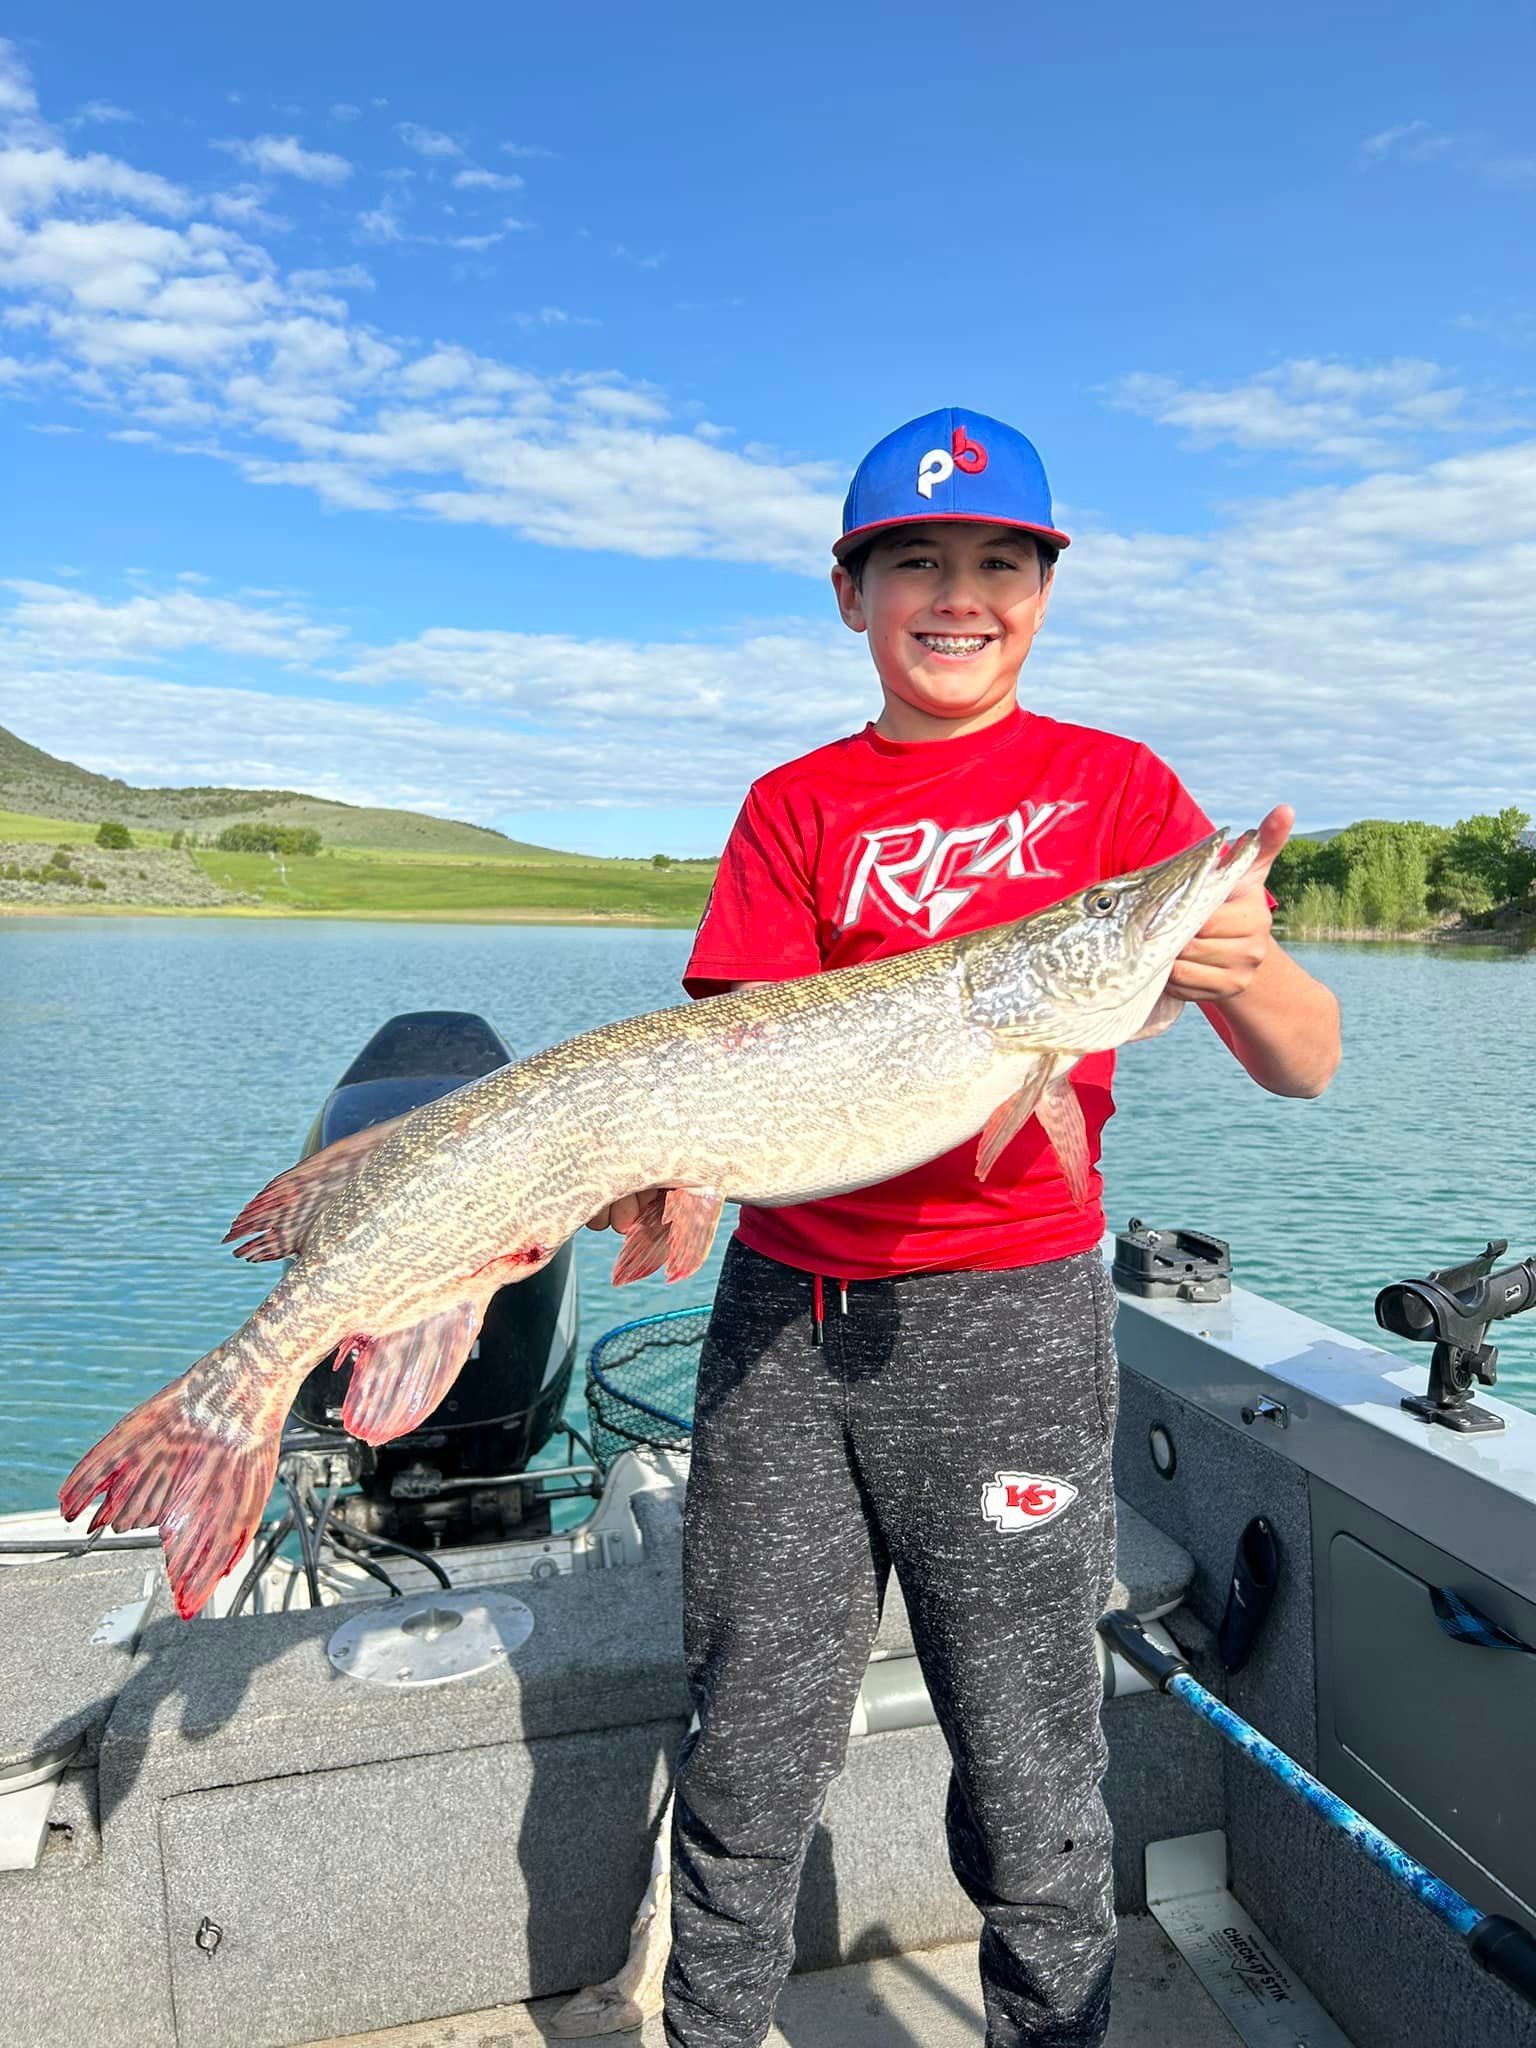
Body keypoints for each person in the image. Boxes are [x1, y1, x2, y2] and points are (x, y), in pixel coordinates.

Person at [589, 406, 1342, 2048]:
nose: (961, 593)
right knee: (751, 1734)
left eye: (1003, 562)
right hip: (787, 1324)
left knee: (1026, 1750)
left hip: (1011, 1328)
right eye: (915, 561)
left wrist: (1245, 964)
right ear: (851, 591)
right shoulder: (795, 805)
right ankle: (709, 2028)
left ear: (1046, 591)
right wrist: (653, 1180)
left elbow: (1305, 1066)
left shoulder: (1119, 787)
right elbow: (736, 1079)